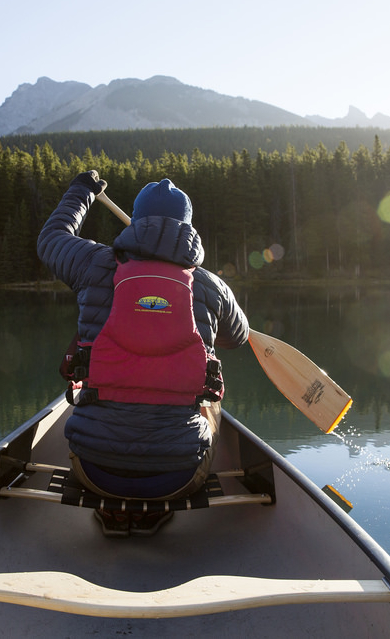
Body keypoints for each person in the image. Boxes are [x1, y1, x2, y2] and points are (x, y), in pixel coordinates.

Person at [37, 171, 249, 537]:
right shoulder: (210, 285)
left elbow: (52, 239)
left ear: (136, 221)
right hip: (178, 477)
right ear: (188, 227)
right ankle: (152, 512)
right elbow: (238, 337)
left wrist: (83, 190)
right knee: (210, 401)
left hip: (92, 470)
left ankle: (113, 513)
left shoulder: (92, 263)